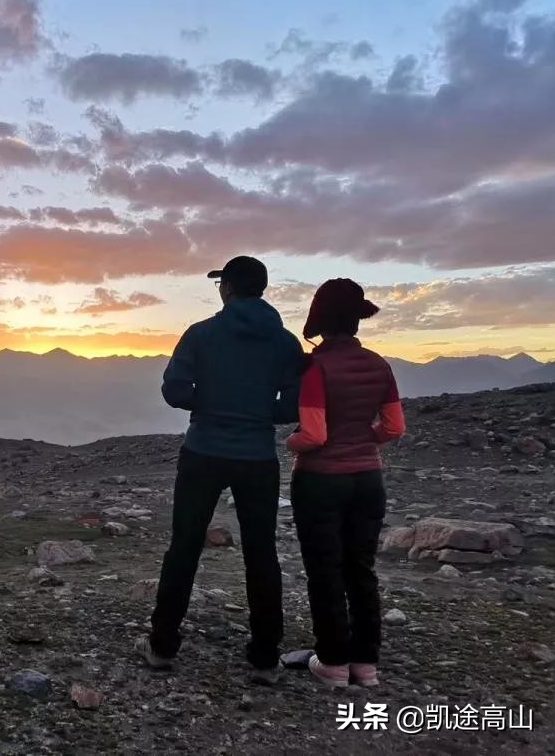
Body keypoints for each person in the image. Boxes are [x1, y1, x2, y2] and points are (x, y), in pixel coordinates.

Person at [136, 255, 305, 685]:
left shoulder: (201, 334)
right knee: (261, 552)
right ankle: (266, 657)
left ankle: (161, 647)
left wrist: (210, 404)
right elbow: (293, 404)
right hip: (257, 457)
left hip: (203, 452)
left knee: (184, 548)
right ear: (262, 290)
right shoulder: (285, 343)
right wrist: (256, 412)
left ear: (227, 288)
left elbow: (174, 391)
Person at [286, 278, 406, 688]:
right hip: (368, 480)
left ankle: (333, 664)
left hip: (321, 481)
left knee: (325, 572)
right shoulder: (379, 365)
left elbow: (315, 435)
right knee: (361, 569)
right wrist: (361, 440)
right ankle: (365, 665)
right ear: (357, 319)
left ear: (319, 318)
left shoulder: (315, 367)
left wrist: (290, 442)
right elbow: (394, 427)